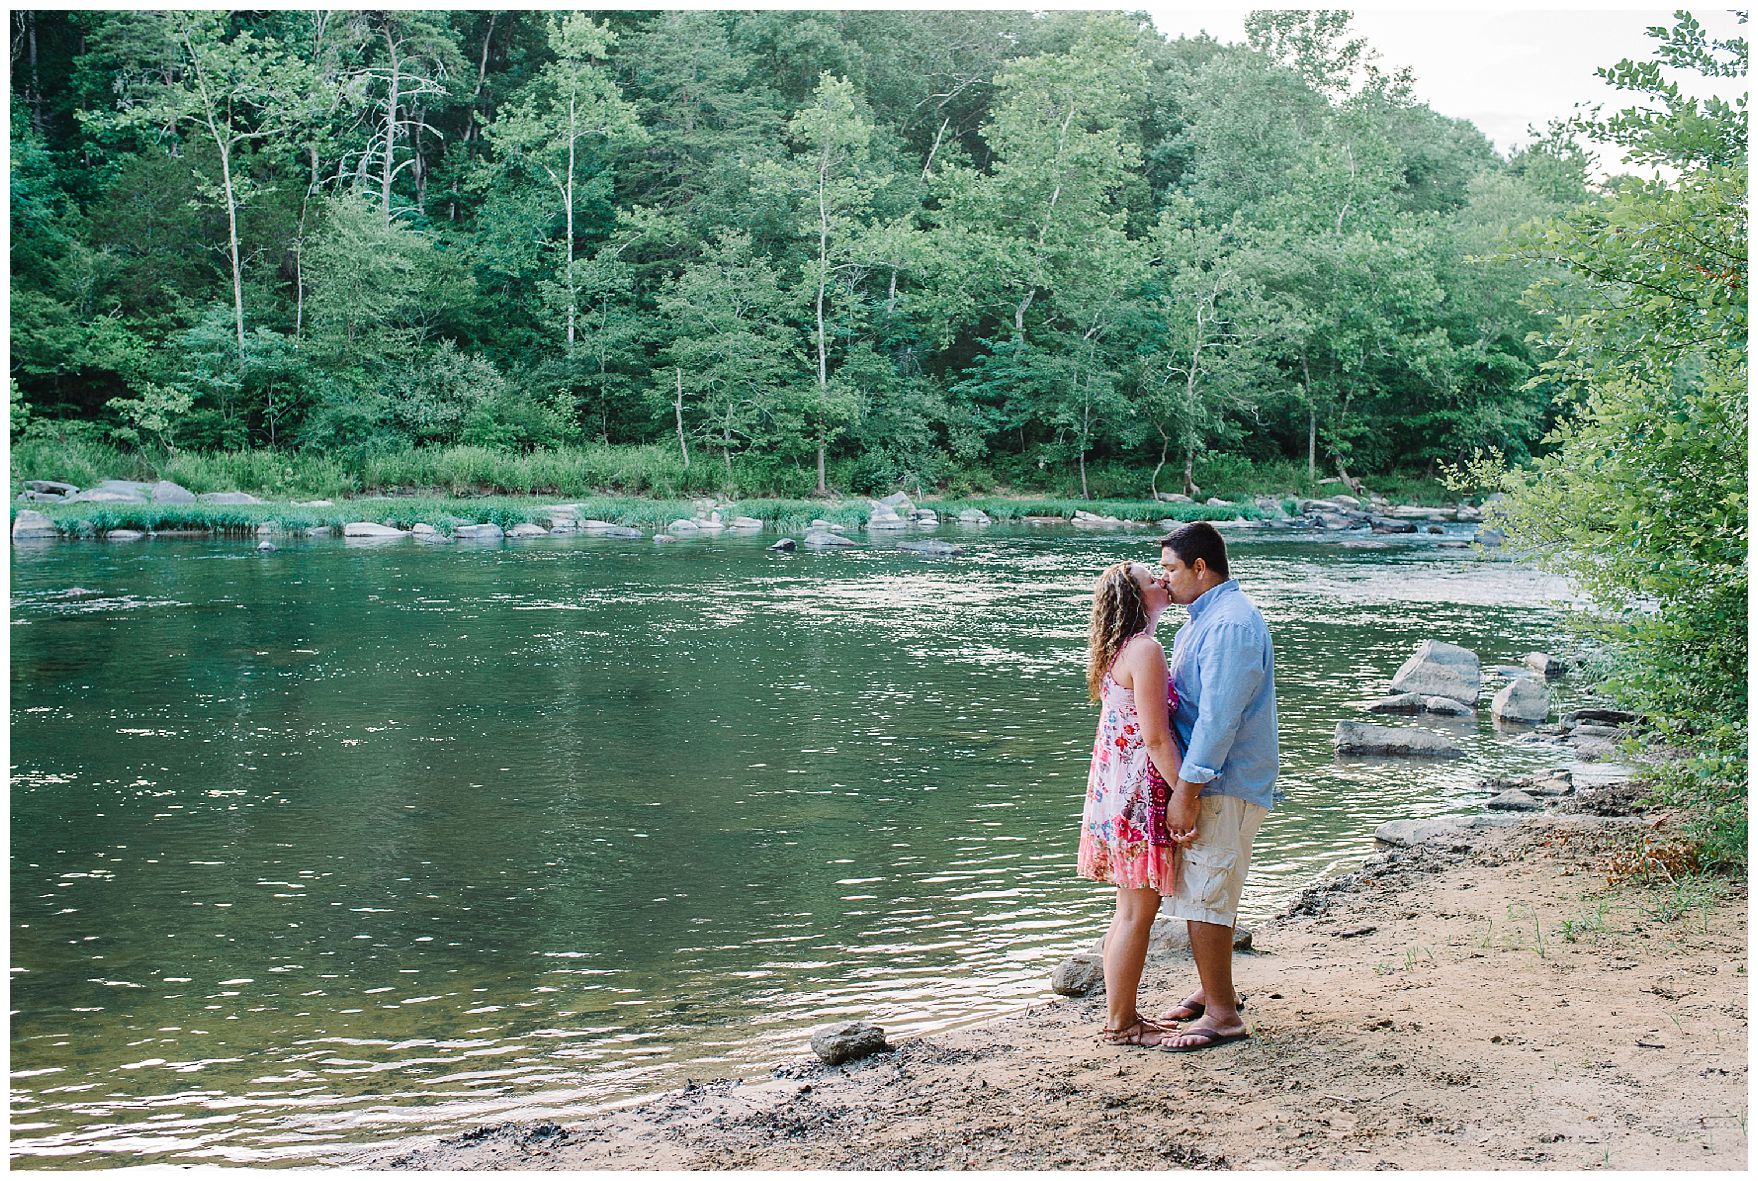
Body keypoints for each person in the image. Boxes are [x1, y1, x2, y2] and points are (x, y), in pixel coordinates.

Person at [1151, 521, 1278, 1052]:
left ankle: (1224, 1016)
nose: (1164, 580)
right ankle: (1211, 992)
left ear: (1200, 567)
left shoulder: (1229, 625)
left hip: (1221, 782)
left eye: (1171, 569)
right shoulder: (1205, 619)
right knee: (1203, 886)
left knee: (1206, 896)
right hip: (1214, 780)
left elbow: (1218, 721)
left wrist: (1186, 790)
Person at [1077, 561, 1184, 1047]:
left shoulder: (1119, 648)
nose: (1162, 579)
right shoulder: (1145, 650)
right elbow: (1157, 739)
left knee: (1128, 911)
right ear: (1136, 597)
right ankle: (1122, 1023)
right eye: (1151, 577)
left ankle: (1124, 1016)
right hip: (1139, 795)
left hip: (1115, 794)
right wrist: (1186, 793)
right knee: (1137, 913)